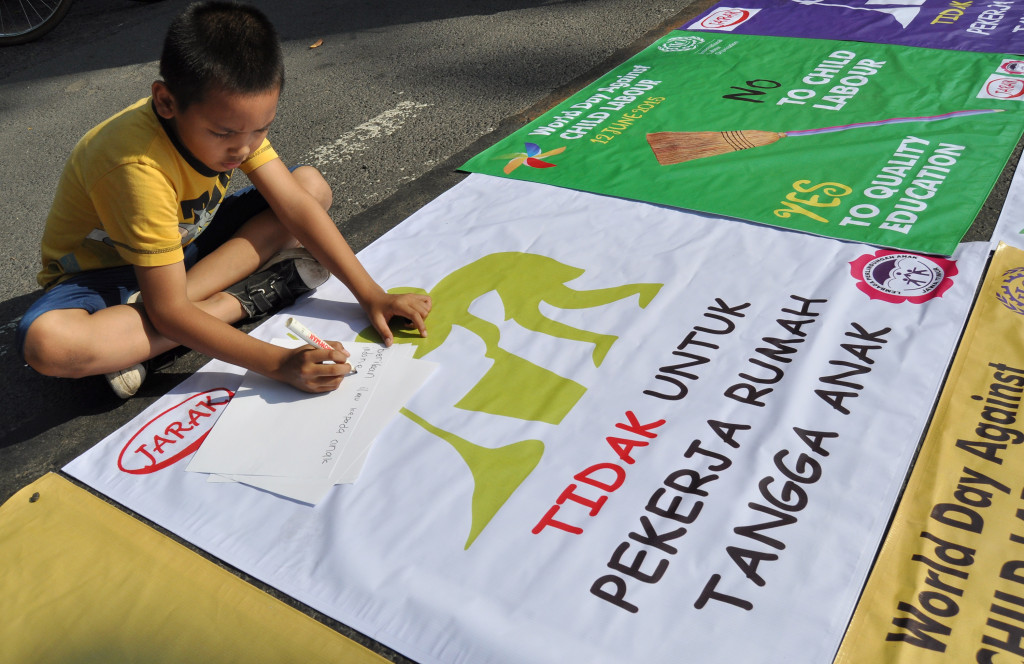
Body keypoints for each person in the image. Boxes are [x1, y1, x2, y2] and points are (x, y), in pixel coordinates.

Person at [16, 1, 431, 398]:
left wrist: (371, 294)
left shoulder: (231, 126)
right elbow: (168, 312)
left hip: (181, 255)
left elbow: (296, 205)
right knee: (49, 345)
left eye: (261, 130)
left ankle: (134, 339)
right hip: (105, 276)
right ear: (165, 102)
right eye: (223, 134)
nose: (244, 150)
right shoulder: (135, 165)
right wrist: (278, 363)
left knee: (310, 187)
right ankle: (241, 299)